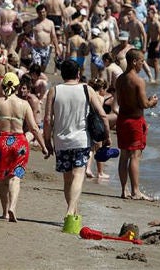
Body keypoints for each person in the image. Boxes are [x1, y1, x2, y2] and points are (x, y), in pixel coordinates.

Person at [43, 60, 111, 219]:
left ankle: (73, 212)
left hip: (61, 141)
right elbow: (102, 115)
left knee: (67, 179)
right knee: (78, 175)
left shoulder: (54, 90)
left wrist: (47, 140)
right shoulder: (87, 89)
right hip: (81, 140)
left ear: (62, 74)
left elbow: (47, 119)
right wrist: (106, 136)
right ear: (78, 74)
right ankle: (70, 210)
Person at [0, 72, 48, 222]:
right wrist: (43, 145)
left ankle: (4, 212)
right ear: (17, 87)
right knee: (15, 178)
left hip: (0, 143)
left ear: (3, 86)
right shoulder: (24, 104)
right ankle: (13, 207)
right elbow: (34, 128)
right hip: (19, 143)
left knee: (3, 180)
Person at [115, 49, 158, 200]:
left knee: (123, 155)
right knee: (134, 156)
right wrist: (152, 102)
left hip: (122, 119)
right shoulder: (138, 81)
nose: (142, 64)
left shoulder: (120, 79)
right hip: (134, 121)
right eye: (141, 61)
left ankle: (123, 190)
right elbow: (144, 104)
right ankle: (136, 191)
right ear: (134, 62)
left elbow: (120, 101)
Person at [30, 4, 62, 72]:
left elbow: (53, 36)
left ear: (46, 12)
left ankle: (38, 80)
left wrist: (57, 48)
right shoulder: (33, 22)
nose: (42, 14)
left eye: (43, 12)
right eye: (40, 12)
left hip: (47, 48)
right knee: (37, 67)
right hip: (36, 48)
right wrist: (30, 40)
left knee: (43, 68)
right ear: (37, 13)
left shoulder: (50, 23)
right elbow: (25, 32)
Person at [146, 6, 160, 82]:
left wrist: (158, 46)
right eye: (147, 14)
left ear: (153, 14)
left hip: (158, 43)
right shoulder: (149, 22)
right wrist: (146, 44)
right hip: (152, 43)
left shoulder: (156, 23)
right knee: (148, 62)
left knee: (155, 61)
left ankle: (156, 79)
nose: (147, 15)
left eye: (149, 14)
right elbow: (148, 34)